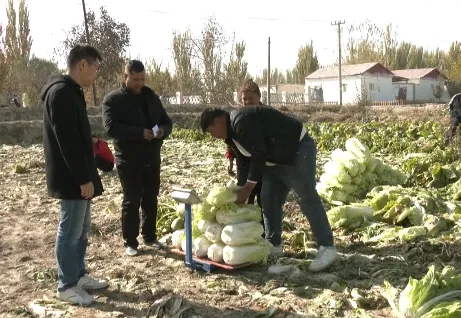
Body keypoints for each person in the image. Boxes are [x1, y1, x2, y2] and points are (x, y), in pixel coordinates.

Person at [200, 106, 338, 272]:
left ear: (218, 121)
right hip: (274, 160)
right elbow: (244, 162)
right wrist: (242, 190)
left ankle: (327, 247)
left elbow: (259, 153)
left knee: (305, 196)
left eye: (210, 130)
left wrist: (248, 187)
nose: (212, 135)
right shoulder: (231, 136)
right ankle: (274, 244)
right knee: (268, 198)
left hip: (296, 150)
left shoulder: (240, 122)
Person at [41, 44, 108, 306]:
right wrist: (83, 178)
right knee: (69, 230)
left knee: (81, 230)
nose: (95, 74)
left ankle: (78, 275)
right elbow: (66, 141)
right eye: (95, 67)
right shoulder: (60, 94)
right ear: (82, 64)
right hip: (71, 177)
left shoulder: (71, 92)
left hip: (79, 173)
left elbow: (74, 134)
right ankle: (66, 284)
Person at [102, 60, 173, 257]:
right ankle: (130, 242)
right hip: (129, 159)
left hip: (152, 156)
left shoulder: (151, 96)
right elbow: (111, 128)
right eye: (135, 80)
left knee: (151, 197)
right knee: (131, 199)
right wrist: (138, 133)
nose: (139, 83)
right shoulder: (112, 100)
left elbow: (166, 122)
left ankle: (149, 236)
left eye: (142, 79)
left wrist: (162, 132)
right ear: (125, 77)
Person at [226, 80, 263, 229]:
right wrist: (229, 160)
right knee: (243, 193)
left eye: (250, 99)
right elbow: (230, 140)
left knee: (262, 196)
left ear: (259, 97)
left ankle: (261, 228)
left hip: (261, 163)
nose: (246, 102)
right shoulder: (238, 116)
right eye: (244, 100)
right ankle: (245, 226)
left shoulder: (265, 114)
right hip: (243, 163)